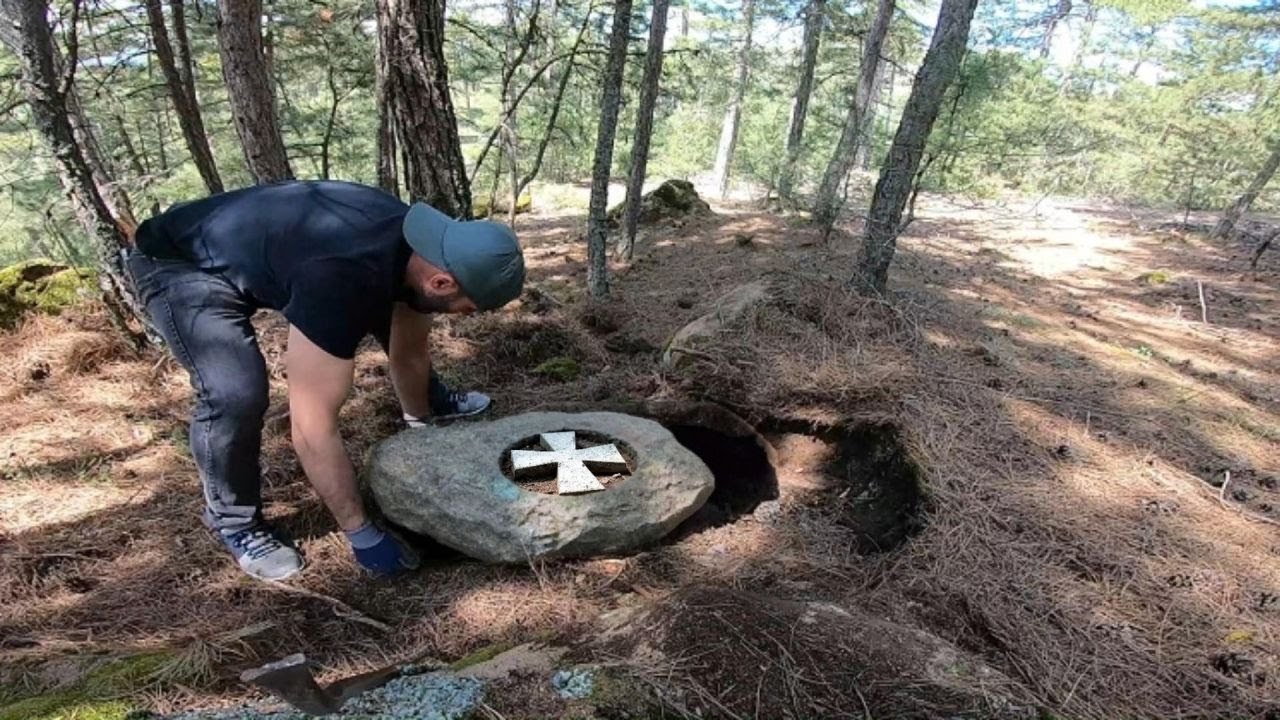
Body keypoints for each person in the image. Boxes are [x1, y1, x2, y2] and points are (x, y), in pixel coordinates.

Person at [126, 180, 525, 581]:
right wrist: (361, 532)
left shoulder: (422, 246)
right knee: (235, 393)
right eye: (467, 309)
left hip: (270, 251)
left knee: (394, 305)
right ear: (441, 282)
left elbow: (410, 349)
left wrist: (421, 434)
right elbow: (311, 426)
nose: (463, 317)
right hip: (180, 265)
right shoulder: (338, 279)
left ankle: (431, 406)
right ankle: (234, 521)